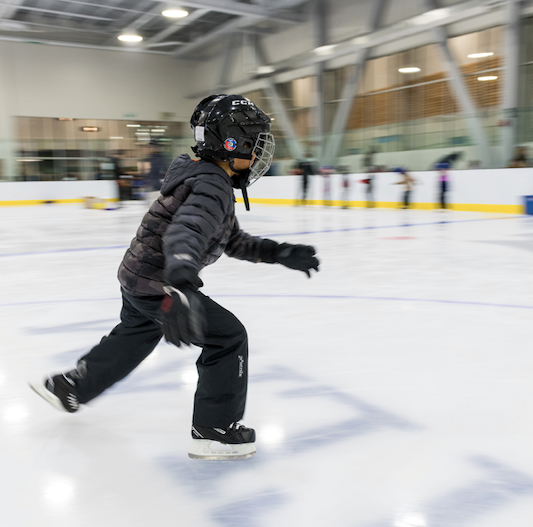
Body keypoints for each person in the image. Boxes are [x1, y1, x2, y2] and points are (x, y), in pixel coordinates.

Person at [29, 94, 320, 461]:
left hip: (138, 275)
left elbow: (230, 238)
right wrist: (180, 284)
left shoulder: (204, 176)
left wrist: (277, 252)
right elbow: (185, 232)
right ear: (232, 142)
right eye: (256, 141)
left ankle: (70, 386)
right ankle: (215, 430)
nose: (261, 151)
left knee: (135, 336)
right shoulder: (213, 185)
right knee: (228, 337)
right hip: (160, 280)